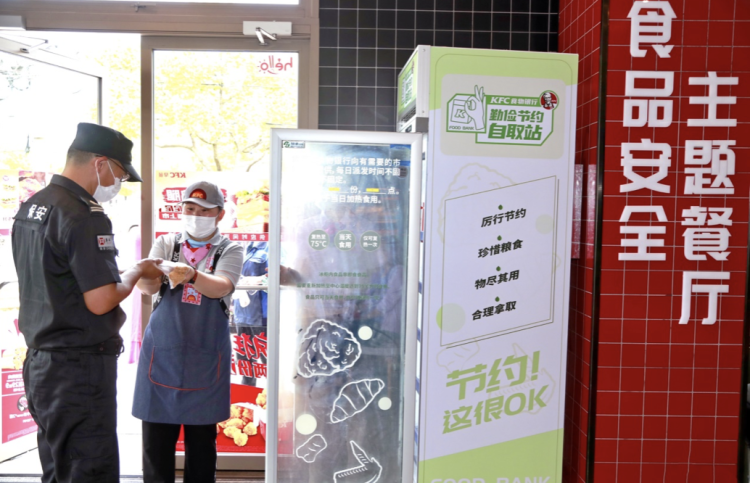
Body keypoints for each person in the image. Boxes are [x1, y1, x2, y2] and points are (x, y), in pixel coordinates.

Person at [12, 122, 162, 483]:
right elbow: (101, 299)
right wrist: (138, 270)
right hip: (78, 369)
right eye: (120, 173)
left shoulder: (33, 205)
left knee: (59, 467)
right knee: (88, 470)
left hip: (42, 364)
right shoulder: (84, 216)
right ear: (100, 163)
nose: (119, 182)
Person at [132, 181, 243, 483]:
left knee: (202, 444)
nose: (196, 215)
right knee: (156, 444)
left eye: (205, 210)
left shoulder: (230, 249)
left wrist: (192, 275)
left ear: (220, 214)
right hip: (162, 356)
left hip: (205, 358)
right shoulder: (166, 244)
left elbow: (222, 286)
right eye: (190, 208)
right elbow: (149, 289)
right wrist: (146, 274)